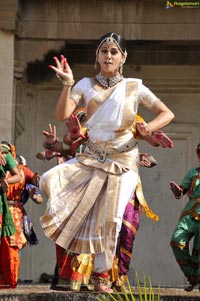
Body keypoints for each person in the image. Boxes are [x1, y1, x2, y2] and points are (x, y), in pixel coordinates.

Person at [40, 32, 174, 292]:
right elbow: (62, 114)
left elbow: (167, 113)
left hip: (123, 161)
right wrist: (67, 84)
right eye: (104, 51)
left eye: (114, 51)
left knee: (111, 218)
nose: (109, 56)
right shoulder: (85, 84)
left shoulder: (134, 87)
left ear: (123, 57)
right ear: (97, 57)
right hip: (90, 157)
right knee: (50, 180)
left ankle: (102, 277)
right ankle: (81, 269)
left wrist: (147, 128)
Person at [0, 142, 42, 289]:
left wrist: (38, 183)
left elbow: (38, 195)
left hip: (14, 213)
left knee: (12, 246)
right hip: (3, 208)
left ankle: (10, 280)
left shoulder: (22, 171)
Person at [170, 143, 200, 292]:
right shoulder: (193, 173)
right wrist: (177, 190)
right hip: (190, 213)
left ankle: (196, 278)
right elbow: (181, 192)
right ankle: (192, 275)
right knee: (176, 241)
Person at [0, 142, 22, 289]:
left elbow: (18, 176)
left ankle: (6, 279)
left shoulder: (4, 154)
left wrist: (5, 181)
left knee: (9, 245)